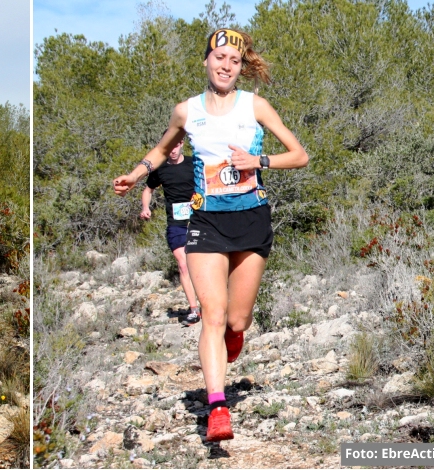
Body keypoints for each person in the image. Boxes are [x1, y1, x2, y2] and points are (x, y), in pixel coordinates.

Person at [113, 28, 308, 442]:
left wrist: (260, 160)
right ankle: (217, 406)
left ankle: (234, 336)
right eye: (219, 57)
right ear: (206, 60)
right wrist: (136, 174)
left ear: (241, 68)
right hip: (205, 223)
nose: (225, 65)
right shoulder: (187, 111)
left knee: (236, 319)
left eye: (234, 61)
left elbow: (300, 155)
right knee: (212, 315)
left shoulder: (255, 106)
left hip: (252, 219)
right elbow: (164, 149)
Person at [139, 141, 200, 326]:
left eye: (175, 146)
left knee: (202, 264)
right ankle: (194, 309)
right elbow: (148, 190)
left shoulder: (194, 163)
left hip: (199, 220)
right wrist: (145, 207)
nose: (172, 151)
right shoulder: (160, 169)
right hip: (176, 224)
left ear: (181, 144)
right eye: (169, 147)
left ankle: (211, 304)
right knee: (183, 264)